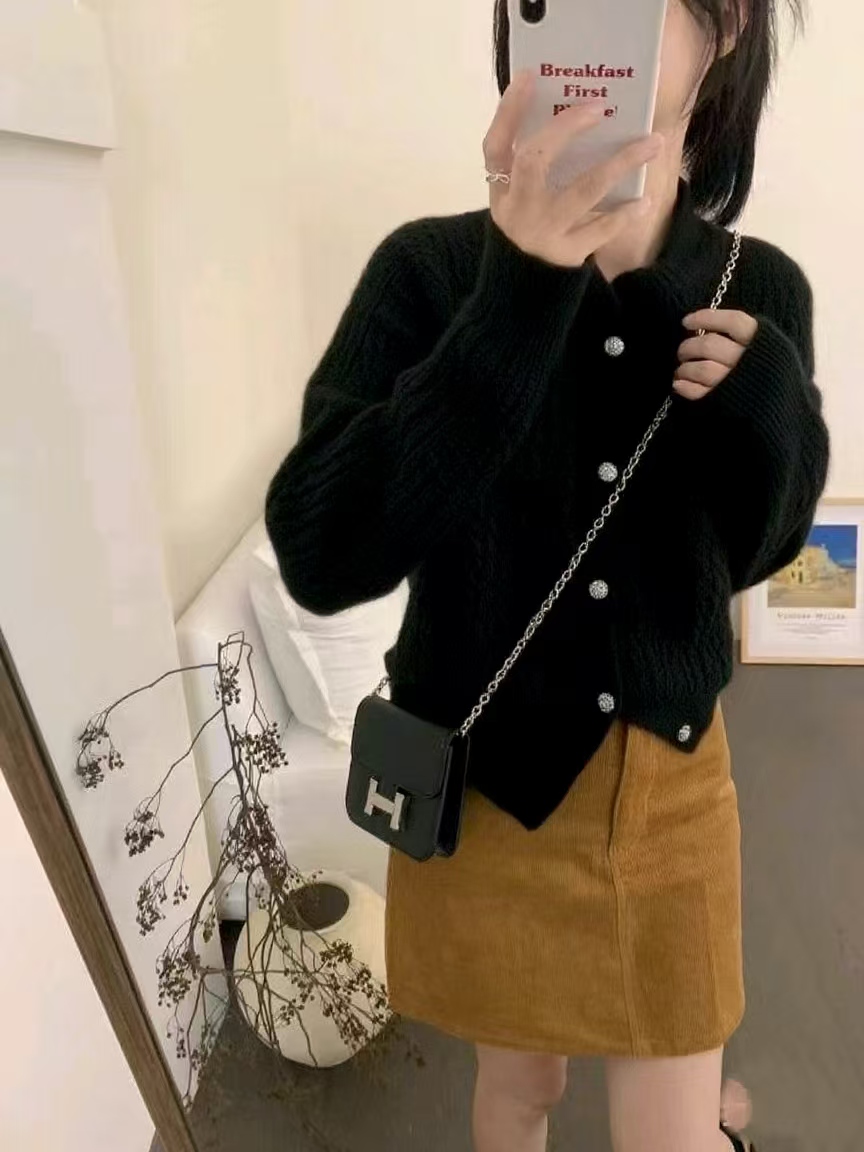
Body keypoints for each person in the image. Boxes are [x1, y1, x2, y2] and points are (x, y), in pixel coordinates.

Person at [264, 1, 830, 1149]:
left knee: (669, 1130)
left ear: (725, 27)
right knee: (518, 1091)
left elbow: (758, 552)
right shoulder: (430, 274)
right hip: (484, 787)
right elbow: (322, 551)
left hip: (668, 788)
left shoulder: (757, 288)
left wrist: (771, 411)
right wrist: (517, 293)